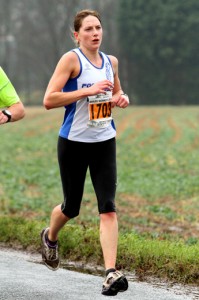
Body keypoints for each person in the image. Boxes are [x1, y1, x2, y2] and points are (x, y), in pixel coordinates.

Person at [40, 9, 129, 296]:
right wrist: (86, 90)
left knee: (108, 207)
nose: (95, 33)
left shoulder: (110, 62)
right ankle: (50, 236)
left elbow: (116, 93)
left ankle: (110, 273)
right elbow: (49, 100)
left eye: (98, 27)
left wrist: (121, 98)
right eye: (89, 29)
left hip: (104, 140)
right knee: (71, 207)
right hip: (74, 142)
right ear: (77, 35)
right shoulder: (71, 60)